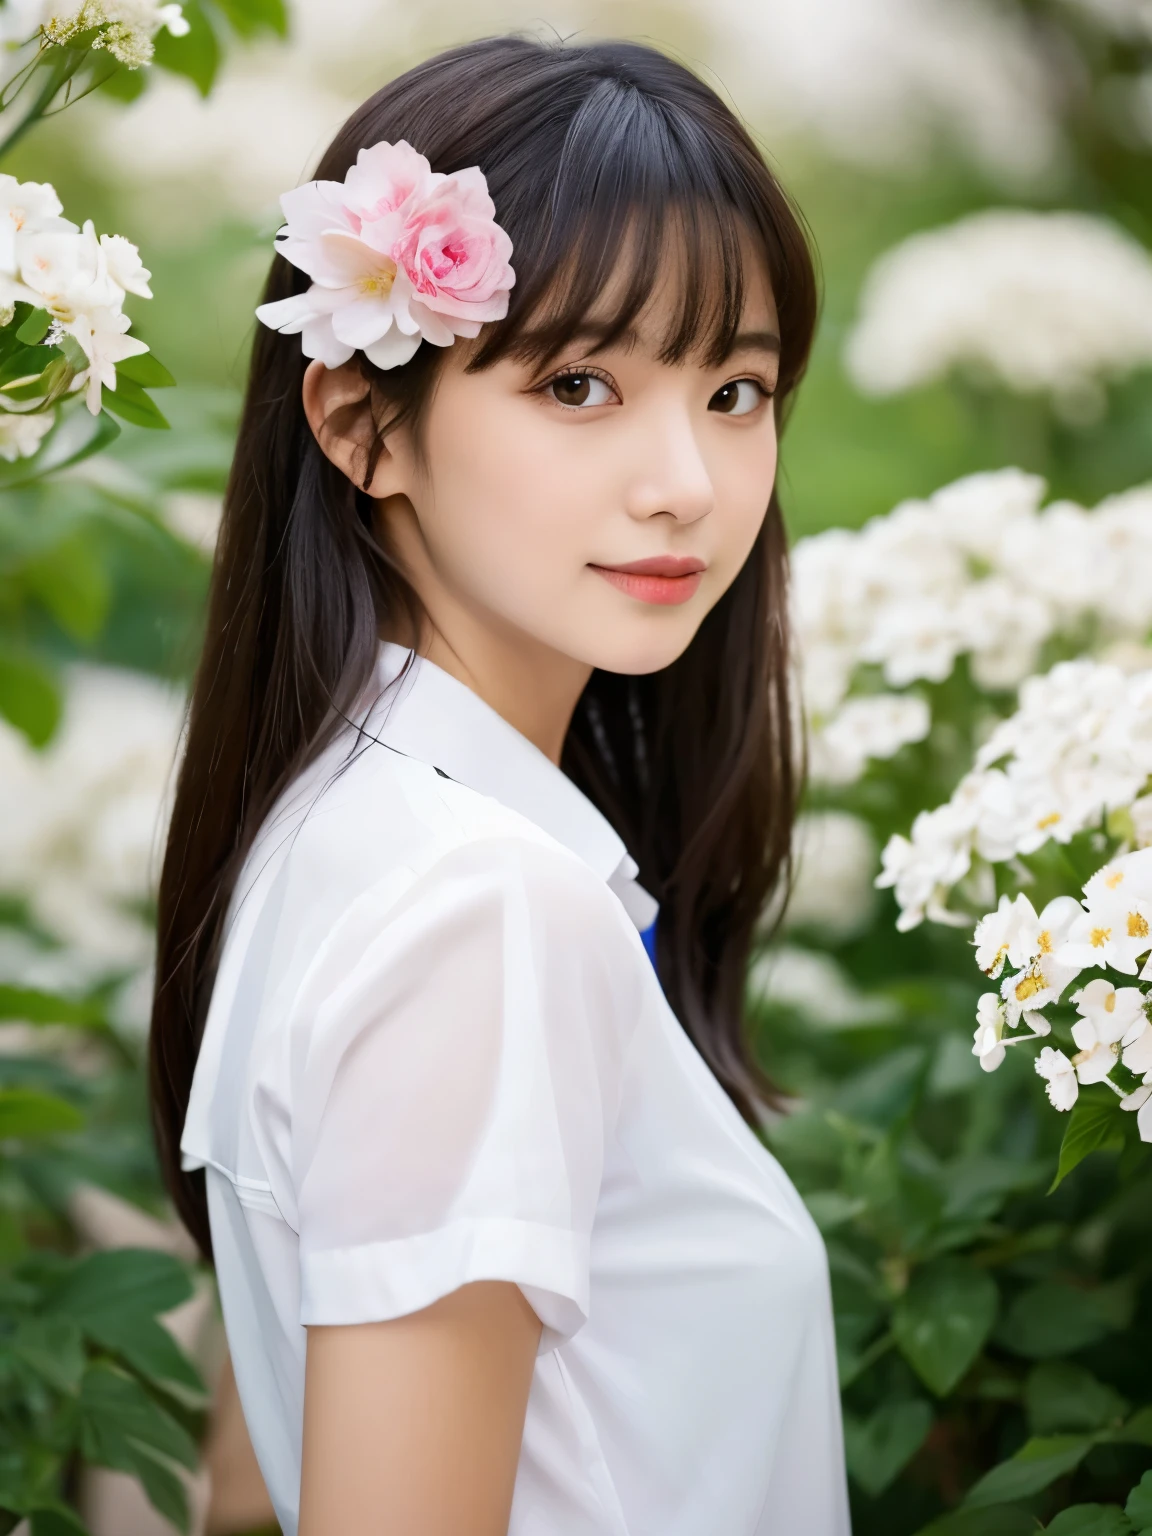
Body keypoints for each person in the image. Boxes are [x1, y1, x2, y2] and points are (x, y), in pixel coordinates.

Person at [148, 32, 850, 1536]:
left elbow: (247, 1486)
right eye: (583, 383)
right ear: (361, 423)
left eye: (736, 390)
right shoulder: (482, 905)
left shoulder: (344, 831)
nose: (688, 481)